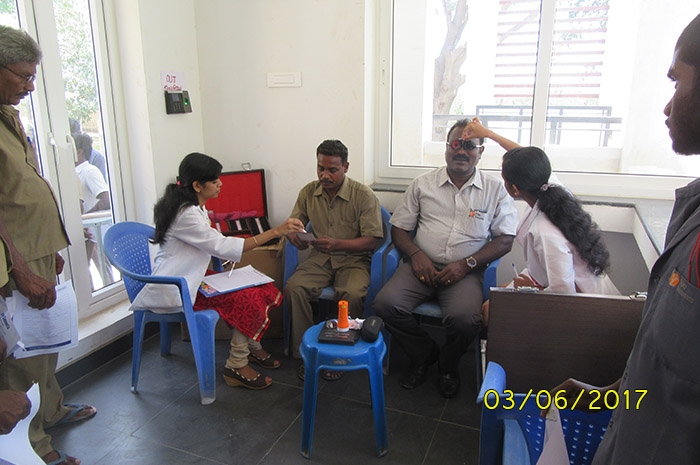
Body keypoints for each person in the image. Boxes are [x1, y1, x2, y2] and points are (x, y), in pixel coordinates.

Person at [544, 13, 700, 464]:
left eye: (677, 81)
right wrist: (611, 394)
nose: (667, 107)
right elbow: (665, 362)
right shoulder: (691, 210)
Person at [0, 25, 95, 465]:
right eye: (23, 76)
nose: (30, 86)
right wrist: (19, 267)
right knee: (22, 356)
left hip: (36, 248)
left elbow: (22, 189)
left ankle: (51, 409)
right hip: (13, 258)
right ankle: (34, 447)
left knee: (47, 343)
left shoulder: (9, 116)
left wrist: (50, 245)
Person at [129, 152, 304, 389]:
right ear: (197, 185)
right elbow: (222, 246)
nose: (220, 184)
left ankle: (250, 344)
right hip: (178, 287)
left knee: (263, 286)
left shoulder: (194, 207)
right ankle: (237, 364)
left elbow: (214, 242)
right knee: (247, 297)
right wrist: (275, 232)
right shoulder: (186, 214)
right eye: (214, 181)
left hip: (192, 278)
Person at [373, 119, 519, 398]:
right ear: (446, 148)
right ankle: (425, 355)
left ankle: (448, 366)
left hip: (466, 272)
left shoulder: (495, 190)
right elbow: (399, 228)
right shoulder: (423, 184)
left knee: (466, 319)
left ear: (480, 151)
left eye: (469, 145)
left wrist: (467, 264)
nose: (461, 151)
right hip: (420, 266)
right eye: (455, 144)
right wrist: (416, 254)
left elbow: (505, 239)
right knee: (385, 304)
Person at [464, 121, 618, 325]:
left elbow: (563, 292)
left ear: (514, 189)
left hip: (582, 307)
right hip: (555, 283)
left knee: (491, 311)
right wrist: (489, 134)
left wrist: (530, 289)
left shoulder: (545, 232)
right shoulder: (549, 186)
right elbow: (526, 158)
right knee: (497, 295)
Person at [284, 139, 383, 381]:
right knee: (294, 287)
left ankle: (340, 355)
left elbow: (371, 241)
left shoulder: (363, 196)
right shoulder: (309, 192)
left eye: (332, 169)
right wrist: (293, 236)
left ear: (346, 167)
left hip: (354, 259)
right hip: (320, 258)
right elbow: (293, 224)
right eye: (320, 168)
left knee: (351, 294)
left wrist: (337, 244)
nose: (324, 175)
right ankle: (308, 354)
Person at [74, 133, 109, 214]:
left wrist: (85, 217)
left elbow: (106, 200)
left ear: (79, 152)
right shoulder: (74, 173)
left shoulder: (89, 171)